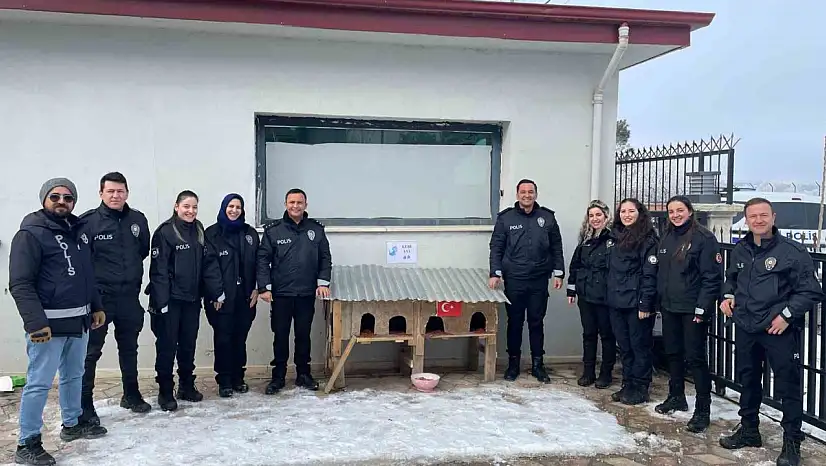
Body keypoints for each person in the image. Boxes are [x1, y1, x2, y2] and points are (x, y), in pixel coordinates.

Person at [9, 178, 108, 466]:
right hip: (47, 328)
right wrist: (35, 323)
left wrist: (97, 306)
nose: (62, 201)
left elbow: (87, 274)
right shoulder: (30, 234)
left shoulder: (78, 232)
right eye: (55, 196)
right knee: (39, 383)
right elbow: (21, 283)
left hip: (79, 322)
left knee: (73, 376)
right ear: (44, 199)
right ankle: (27, 442)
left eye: (68, 197)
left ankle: (71, 424)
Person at [718, 197, 822, 466]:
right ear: (747, 219)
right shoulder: (741, 248)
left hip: (778, 330)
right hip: (746, 326)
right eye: (753, 216)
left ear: (773, 217)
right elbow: (731, 277)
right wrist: (727, 296)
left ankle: (791, 441)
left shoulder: (792, 252)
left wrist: (787, 315)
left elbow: (810, 290)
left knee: (788, 386)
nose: (758, 220)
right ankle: (750, 429)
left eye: (763, 215)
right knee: (748, 381)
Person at [78, 172, 152, 425]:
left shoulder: (138, 220)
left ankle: (131, 394)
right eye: (110, 191)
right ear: (101, 193)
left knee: (129, 348)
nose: (115, 195)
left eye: (120, 191)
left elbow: (142, 251)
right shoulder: (88, 222)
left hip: (129, 297)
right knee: (91, 352)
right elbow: (82, 260)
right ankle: (84, 405)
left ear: (127, 193)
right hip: (99, 300)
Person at [145, 190, 224, 411]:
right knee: (167, 346)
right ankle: (165, 391)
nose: (191, 211)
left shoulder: (199, 230)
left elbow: (209, 263)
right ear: (176, 206)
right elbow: (158, 271)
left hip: (191, 299)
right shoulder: (165, 232)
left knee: (188, 345)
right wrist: (161, 303)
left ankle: (186, 386)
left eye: (194, 207)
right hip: (170, 301)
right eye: (186, 206)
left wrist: (216, 292)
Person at [653, 195, 722, 433]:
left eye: (679, 210)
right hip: (670, 306)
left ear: (690, 211)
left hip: (693, 310)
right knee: (672, 353)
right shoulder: (667, 236)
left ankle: (703, 410)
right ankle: (676, 396)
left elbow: (711, 278)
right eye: (671, 211)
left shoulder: (704, 238)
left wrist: (702, 308)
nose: (675, 215)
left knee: (695, 359)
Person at [488, 179, 565, 383]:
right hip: (514, 279)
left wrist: (559, 273)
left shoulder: (547, 218)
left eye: (531, 192)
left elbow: (556, 246)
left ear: (536, 195)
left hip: (539, 279)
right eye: (523, 192)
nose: (527, 195)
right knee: (514, 323)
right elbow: (496, 247)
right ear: (517, 195)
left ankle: (538, 365)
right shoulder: (506, 218)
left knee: (536, 322)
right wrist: (495, 273)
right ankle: (513, 365)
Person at [257, 188, 332, 394]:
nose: (295, 206)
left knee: (303, 335)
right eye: (292, 202)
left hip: (306, 293)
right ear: (285, 204)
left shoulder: (316, 230)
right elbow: (263, 260)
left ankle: (303, 375)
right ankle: (278, 377)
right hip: (281, 294)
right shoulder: (274, 231)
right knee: (280, 336)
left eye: (299, 202)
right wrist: (264, 287)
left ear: (305, 205)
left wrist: (323, 282)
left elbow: (325, 257)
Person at [204, 194, 260, 397]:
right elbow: (209, 267)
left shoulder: (250, 234)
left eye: (238, 207)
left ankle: (238, 377)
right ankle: (224, 380)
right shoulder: (211, 234)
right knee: (223, 338)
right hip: (221, 299)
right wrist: (216, 294)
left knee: (240, 338)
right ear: (223, 208)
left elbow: (258, 263)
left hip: (245, 297)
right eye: (230, 206)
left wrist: (257, 288)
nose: (234, 210)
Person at [605, 198, 658, 405]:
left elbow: (649, 273)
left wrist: (646, 303)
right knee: (625, 347)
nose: (626, 215)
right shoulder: (614, 237)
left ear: (640, 213)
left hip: (636, 304)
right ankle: (628, 384)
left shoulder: (648, 239)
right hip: (616, 301)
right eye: (623, 211)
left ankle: (640, 387)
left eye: (631, 211)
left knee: (640, 347)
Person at [566, 200, 616, 389]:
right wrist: (572, 289)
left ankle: (606, 373)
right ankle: (588, 372)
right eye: (591, 215)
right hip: (585, 294)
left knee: (607, 335)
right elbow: (575, 265)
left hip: (604, 296)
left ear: (606, 216)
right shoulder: (585, 239)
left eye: (598, 215)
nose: (595, 219)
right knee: (588, 334)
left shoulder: (613, 239)